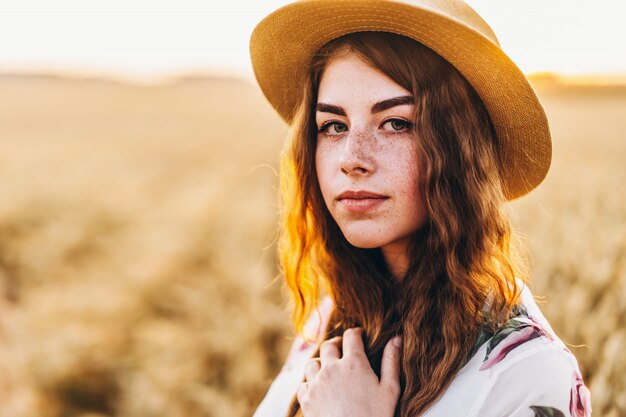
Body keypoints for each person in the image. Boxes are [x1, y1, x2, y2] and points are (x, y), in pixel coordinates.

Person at [249, 1, 592, 416]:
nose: (351, 158)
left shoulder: (528, 375)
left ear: (460, 149)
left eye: (396, 122)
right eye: (334, 126)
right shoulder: (331, 318)